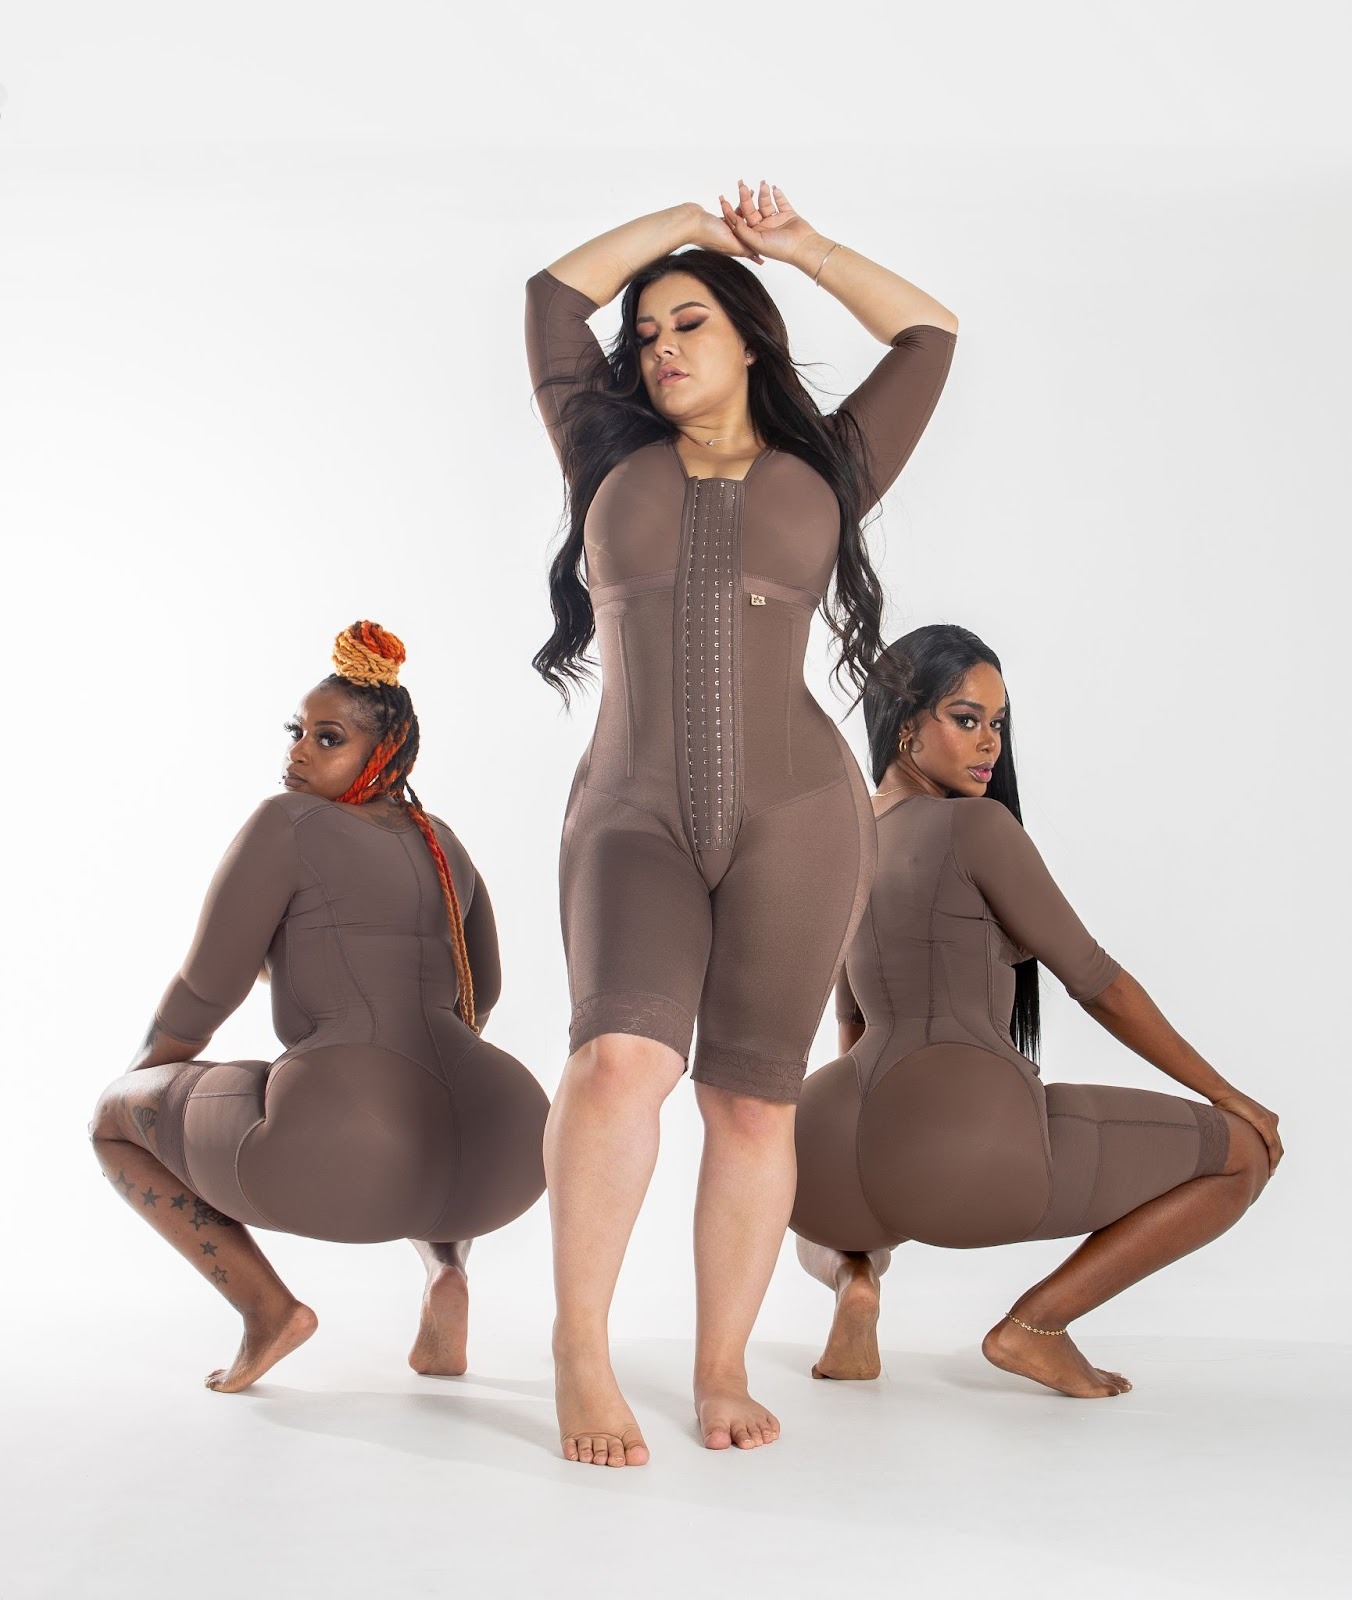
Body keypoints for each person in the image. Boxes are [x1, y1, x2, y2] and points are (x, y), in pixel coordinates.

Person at [525, 180, 958, 1463]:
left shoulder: (826, 468)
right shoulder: (604, 454)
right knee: (618, 1063)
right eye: (646, 332)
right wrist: (679, 222)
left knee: (754, 1103)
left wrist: (798, 247)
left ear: (749, 340)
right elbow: (550, 297)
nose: (659, 347)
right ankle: (578, 1348)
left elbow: (928, 334)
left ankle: (721, 1365)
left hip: (798, 816)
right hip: (630, 814)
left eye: (689, 323)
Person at [791, 624, 1281, 1397]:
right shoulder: (977, 827)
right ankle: (1036, 1326)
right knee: (1242, 1154)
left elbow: (849, 1020)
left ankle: (854, 1280)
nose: (990, 742)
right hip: (963, 1137)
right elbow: (1099, 982)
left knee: (818, 1222)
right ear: (906, 724)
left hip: (821, 1145)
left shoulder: (842, 840)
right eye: (966, 718)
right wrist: (1229, 1095)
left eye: (998, 722)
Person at [90, 622, 549, 1393]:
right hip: (508, 1154)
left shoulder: (288, 822)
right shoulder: (443, 841)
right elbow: (484, 990)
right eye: (296, 731)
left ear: (385, 751)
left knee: (111, 1120)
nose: (299, 752)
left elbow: (208, 988)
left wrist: (143, 1081)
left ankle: (267, 1311)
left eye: (327, 738)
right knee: (414, 1096)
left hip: (345, 1146)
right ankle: (446, 1271)